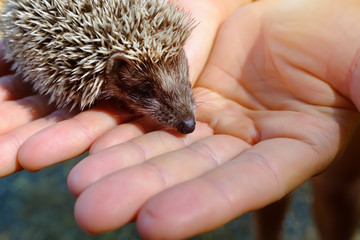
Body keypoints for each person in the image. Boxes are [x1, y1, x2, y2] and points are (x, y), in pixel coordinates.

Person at [0, 0, 359, 239]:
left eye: (184, 81)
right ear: (114, 74)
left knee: (333, 186)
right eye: (151, 94)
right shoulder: (98, 69)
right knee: (273, 180)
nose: (186, 121)